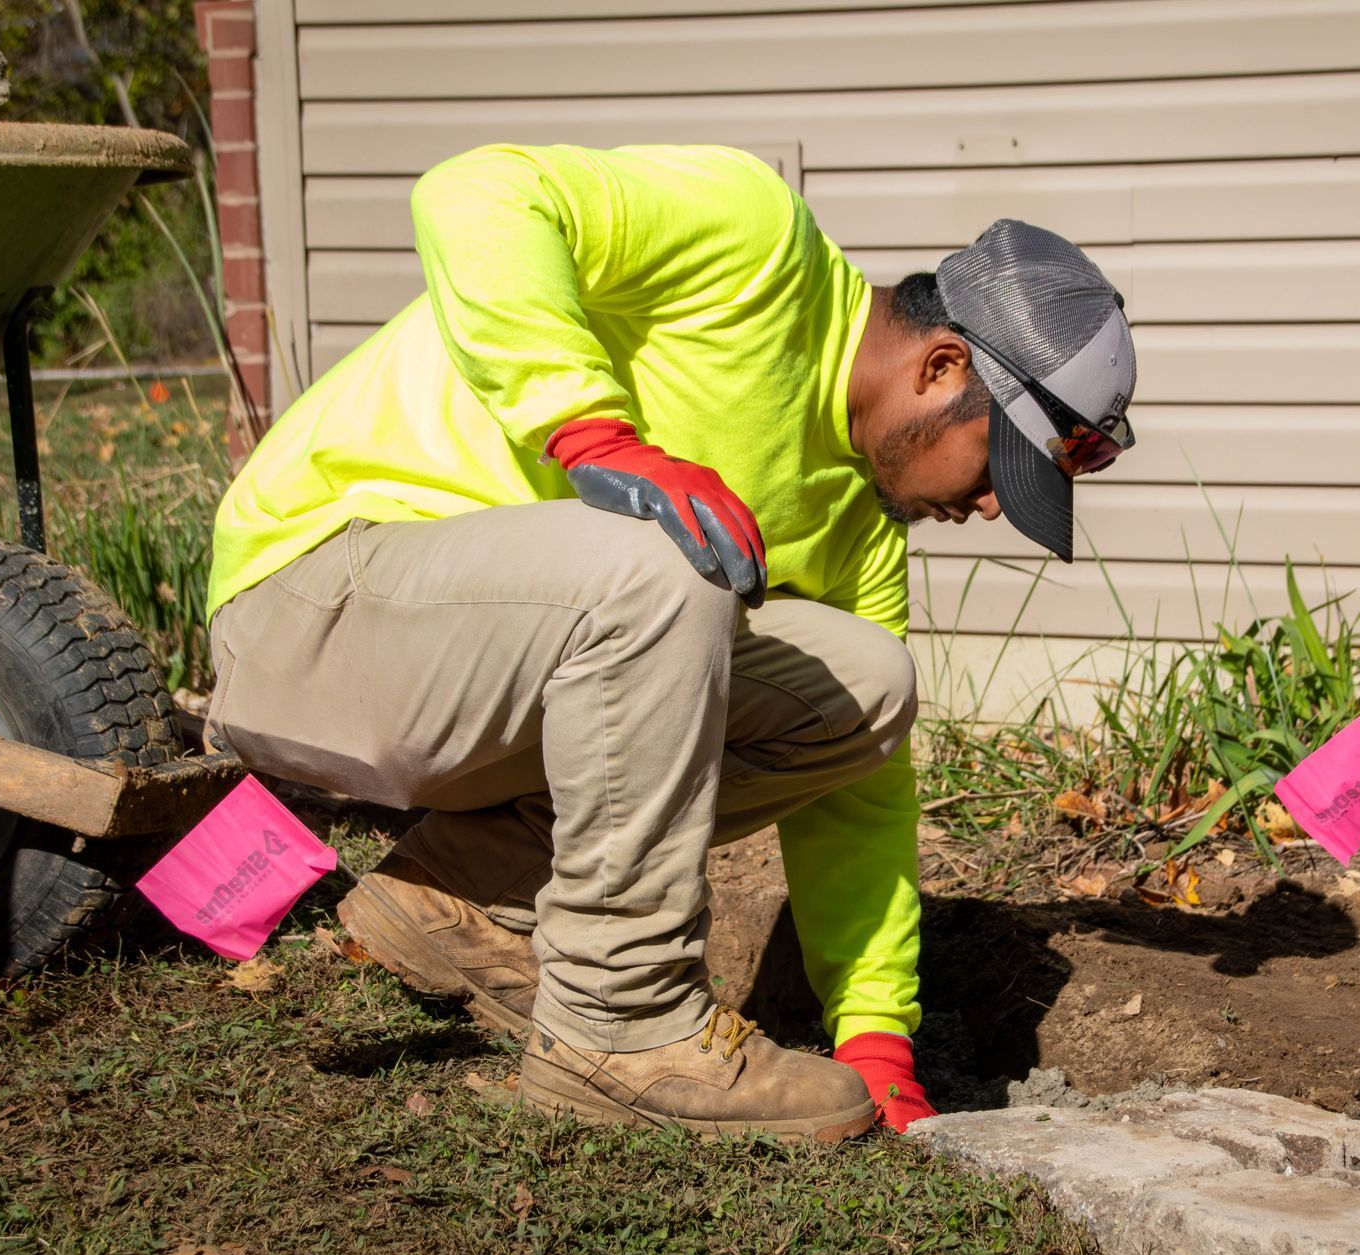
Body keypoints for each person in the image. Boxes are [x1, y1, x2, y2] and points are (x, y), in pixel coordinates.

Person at [203, 143, 1137, 1141]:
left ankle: (462, 891)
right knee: (662, 565)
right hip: (315, 603)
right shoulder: (753, 240)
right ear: (942, 365)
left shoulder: (862, 522)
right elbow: (476, 191)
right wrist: (590, 433)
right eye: (1000, 464)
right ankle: (621, 1023)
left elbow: (859, 801)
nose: (995, 505)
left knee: (867, 686)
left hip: (470, 699)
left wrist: (875, 1037)